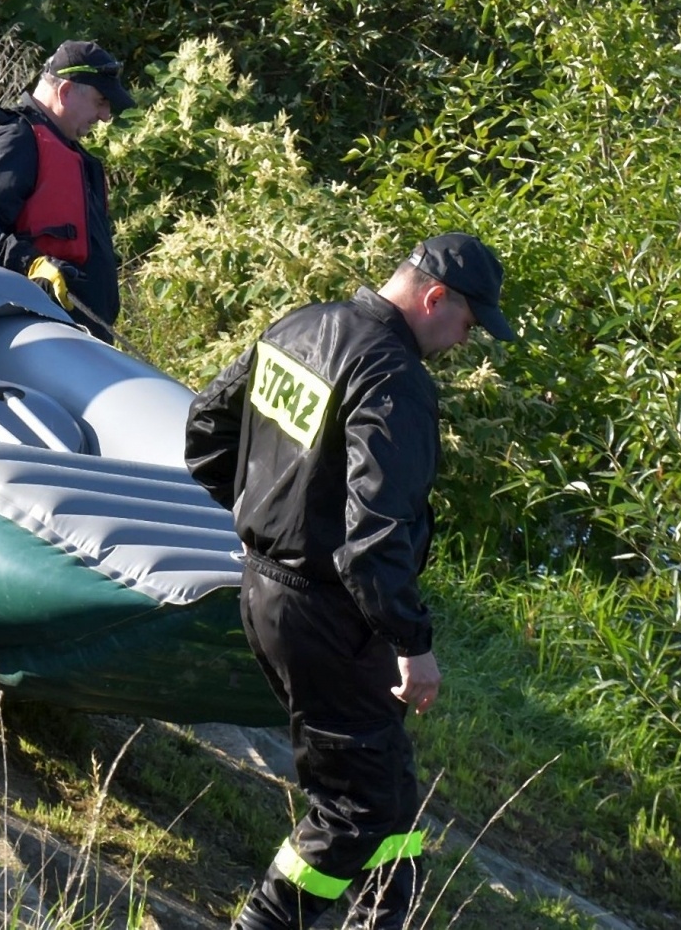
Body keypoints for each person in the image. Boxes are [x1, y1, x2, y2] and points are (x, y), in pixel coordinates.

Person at [184, 233, 517, 930]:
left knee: (390, 792)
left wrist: (263, 515)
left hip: (268, 591)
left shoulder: (300, 324)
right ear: (436, 298)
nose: (464, 341)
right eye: (469, 323)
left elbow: (207, 433)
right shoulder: (394, 377)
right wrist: (412, 640)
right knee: (352, 810)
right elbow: (375, 540)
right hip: (329, 617)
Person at [0, 40, 135, 342]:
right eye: (100, 101)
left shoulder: (66, 149)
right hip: (30, 340)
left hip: (76, 338)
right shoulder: (17, 140)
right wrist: (30, 263)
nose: (106, 116)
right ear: (66, 91)